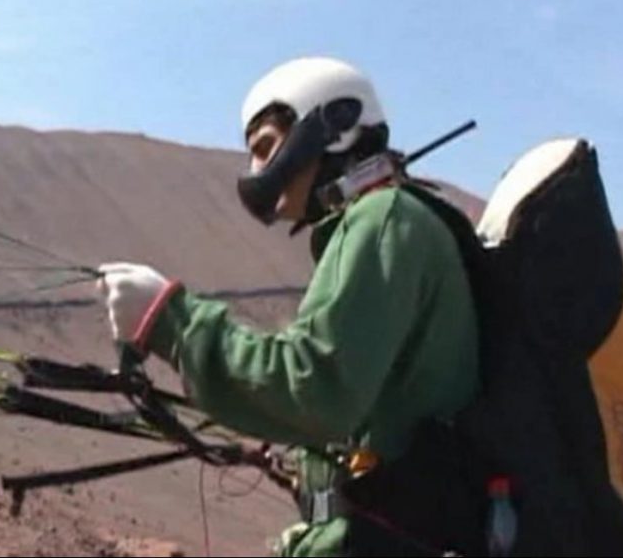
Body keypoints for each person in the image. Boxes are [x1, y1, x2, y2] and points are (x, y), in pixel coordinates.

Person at [97, 57, 480, 556]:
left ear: (333, 127)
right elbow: (368, 409)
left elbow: (318, 387)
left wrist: (170, 320)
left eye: (265, 149)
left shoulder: (383, 220)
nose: (256, 173)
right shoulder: (387, 221)